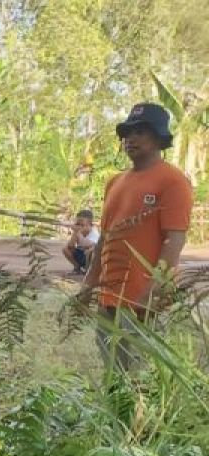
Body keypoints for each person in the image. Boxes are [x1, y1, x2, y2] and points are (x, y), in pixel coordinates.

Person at [81, 103, 193, 371]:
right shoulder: (114, 182)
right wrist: (89, 284)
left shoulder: (173, 181)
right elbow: (105, 239)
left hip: (143, 302)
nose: (131, 138)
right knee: (113, 373)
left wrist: (151, 292)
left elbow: (174, 241)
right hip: (109, 297)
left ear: (158, 138)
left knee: (141, 377)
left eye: (140, 131)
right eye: (127, 132)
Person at [62, 209, 100, 275]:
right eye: (78, 224)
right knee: (65, 249)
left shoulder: (94, 233)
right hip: (82, 256)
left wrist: (77, 233)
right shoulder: (79, 233)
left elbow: (90, 244)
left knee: (90, 251)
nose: (80, 227)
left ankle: (89, 271)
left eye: (82, 225)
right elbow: (70, 246)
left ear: (90, 225)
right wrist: (75, 233)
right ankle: (77, 268)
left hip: (91, 259)